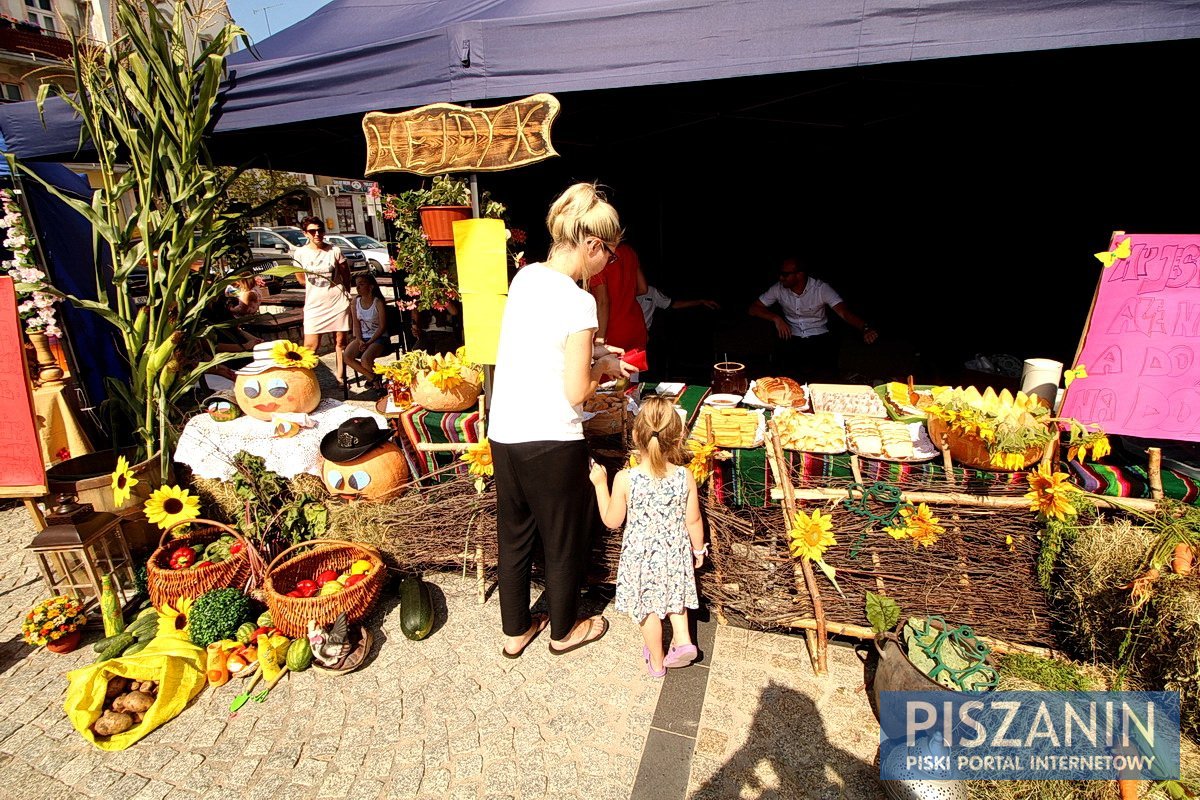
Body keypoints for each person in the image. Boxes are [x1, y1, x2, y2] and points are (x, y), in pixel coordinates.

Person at [488, 182, 633, 659]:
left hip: (505, 430)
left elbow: (538, 345)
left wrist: (590, 351)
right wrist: (603, 366)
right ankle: (563, 630)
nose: (607, 265)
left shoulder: (526, 277)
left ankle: (514, 633)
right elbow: (576, 391)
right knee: (563, 540)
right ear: (593, 244)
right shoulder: (579, 300)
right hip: (551, 436)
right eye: (609, 255)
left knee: (514, 536)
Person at [588, 395, 705, 677]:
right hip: (675, 551)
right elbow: (694, 519)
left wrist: (599, 485)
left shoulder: (626, 478)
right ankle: (683, 639)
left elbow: (612, 521)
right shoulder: (684, 476)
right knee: (675, 596)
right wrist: (698, 550)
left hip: (640, 557)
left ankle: (657, 661)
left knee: (648, 610)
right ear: (677, 439)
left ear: (635, 436)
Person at [748, 256, 878, 382]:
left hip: (819, 338)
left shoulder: (821, 289)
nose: (781, 278)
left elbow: (843, 312)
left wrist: (864, 327)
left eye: (785, 274)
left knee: (823, 379)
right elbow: (754, 308)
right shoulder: (778, 289)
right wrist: (775, 318)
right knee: (785, 378)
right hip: (792, 337)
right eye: (781, 273)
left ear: (799, 275)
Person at [294, 216, 351, 384]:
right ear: (305, 233)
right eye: (312, 231)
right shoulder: (300, 253)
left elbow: (345, 274)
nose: (317, 234)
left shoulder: (334, 250)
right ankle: (306, 381)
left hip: (337, 302)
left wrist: (345, 293)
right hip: (314, 304)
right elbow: (300, 279)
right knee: (310, 346)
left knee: (340, 342)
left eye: (320, 230)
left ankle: (341, 377)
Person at [589, 241, 648, 352]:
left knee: (607, 368)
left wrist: (599, 341)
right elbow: (643, 288)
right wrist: (623, 294)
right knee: (630, 369)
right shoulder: (628, 250)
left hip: (610, 331)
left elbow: (602, 302)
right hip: (635, 325)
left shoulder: (597, 257)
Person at [345, 273, 388, 390]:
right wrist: (359, 340)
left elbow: (382, 326)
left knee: (365, 359)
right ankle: (373, 378)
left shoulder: (377, 302)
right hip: (363, 336)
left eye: (361, 284)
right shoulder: (355, 302)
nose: (358, 288)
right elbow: (356, 325)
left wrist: (369, 342)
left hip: (378, 337)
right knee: (347, 356)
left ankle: (376, 386)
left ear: (371, 286)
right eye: (357, 285)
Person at [637, 285, 720, 330]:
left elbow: (673, 304)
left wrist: (701, 301)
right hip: (625, 332)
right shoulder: (625, 289)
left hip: (642, 335)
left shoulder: (651, 291)